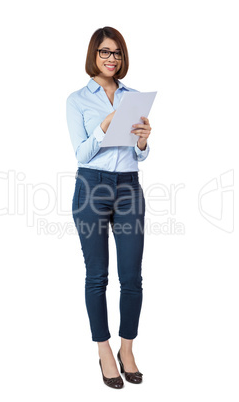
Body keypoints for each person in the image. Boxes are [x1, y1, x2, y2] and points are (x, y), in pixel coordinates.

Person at [66, 26, 152, 389]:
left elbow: (137, 155)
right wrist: (104, 125)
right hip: (91, 188)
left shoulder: (132, 96)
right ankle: (103, 350)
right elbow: (82, 153)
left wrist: (144, 143)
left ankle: (126, 348)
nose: (111, 59)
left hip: (129, 189)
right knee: (97, 275)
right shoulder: (78, 100)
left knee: (131, 276)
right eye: (105, 52)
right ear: (93, 55)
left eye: (117, 53)